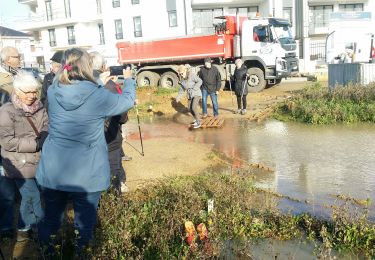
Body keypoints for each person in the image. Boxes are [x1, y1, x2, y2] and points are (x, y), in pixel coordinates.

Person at [36, 48, 136, 254]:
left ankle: (48, 253)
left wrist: (97, 81)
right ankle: (82, 253)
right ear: (87, 67)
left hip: (54, 168)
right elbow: (125, 102)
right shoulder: (97, 95)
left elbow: (75, 89)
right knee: (84, 222)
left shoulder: (54, 90)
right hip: (87, 171)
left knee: (52, 217)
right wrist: (129, 80)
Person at [0, 72, 47, 242]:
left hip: (38, 161)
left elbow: (46, 124)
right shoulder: (7, 110)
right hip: (16, 162)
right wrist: (35, 144)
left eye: (34, 92)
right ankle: (38, 230)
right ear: (16, 90)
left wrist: (45, 133)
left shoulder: (39, 106)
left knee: (33, 195)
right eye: (27, 92)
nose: (31, 96)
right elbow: (6, 141)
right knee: (30, 194)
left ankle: (23, 226)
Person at [90, 51, 129, 194]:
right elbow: (122, 114)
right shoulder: (111, 85)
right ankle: (115, 198)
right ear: (104, 66)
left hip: (87, 140)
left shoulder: (79, 84)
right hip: (109, 136)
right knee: (113, 170)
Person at [0, 46, 22, 241]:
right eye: (16, 56)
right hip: (4, 138)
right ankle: (6, 226)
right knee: (5, 184)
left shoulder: (17, 75)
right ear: (7, 59)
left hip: (16, 134)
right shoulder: (3, 81)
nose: (20, 59)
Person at [176, 64, 203, 129]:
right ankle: (196, 118)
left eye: (182, 73)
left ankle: (198, 122)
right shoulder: (182, 80)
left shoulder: (192, 75)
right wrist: (178, 97)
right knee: (189, 108)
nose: (181, 75)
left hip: (196, 93)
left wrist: (195, 88)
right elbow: (182, 89)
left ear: (185, 71)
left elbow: (200, 81)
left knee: (193, 108)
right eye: (180, 74)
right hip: (190, 95)